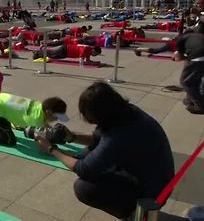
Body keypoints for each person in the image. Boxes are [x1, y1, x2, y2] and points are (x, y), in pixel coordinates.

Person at [34, 81, 174, 220]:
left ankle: (132, 214)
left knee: (84, 188)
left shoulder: (117, 136)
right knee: (85, 153)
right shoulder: (125, 112)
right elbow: (98, 138)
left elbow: (83, 169)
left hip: (152, 193)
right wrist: (72, 137)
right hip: (156, 175)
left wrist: (51, 149)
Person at [0, 93, 69, 146]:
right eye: (56, 117)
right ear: (48, 112)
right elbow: (39, 137)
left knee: (5, 127)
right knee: (10, 140)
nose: (56, 120)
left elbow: (45, 124)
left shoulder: (40, 106)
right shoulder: (36, 119)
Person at [175, 32, 204, 114]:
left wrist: (178, 56)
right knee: (195, 79)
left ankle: (201, 107)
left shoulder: (181, 39)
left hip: (199, 57)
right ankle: (190, 100)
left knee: (186, 82)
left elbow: (179, 57)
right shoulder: (199, 36)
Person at [32, 44, 102, 63]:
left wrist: (93, 62)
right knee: (51, 53)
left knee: (53, 56)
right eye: (95, 54)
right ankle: (37, 53)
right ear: (93, 50)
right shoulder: (86, 49)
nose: (95, 55)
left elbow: (87, 60)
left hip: (66, 54)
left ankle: (39, 53)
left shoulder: (89, 52)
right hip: (65, 49)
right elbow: (81, 59)